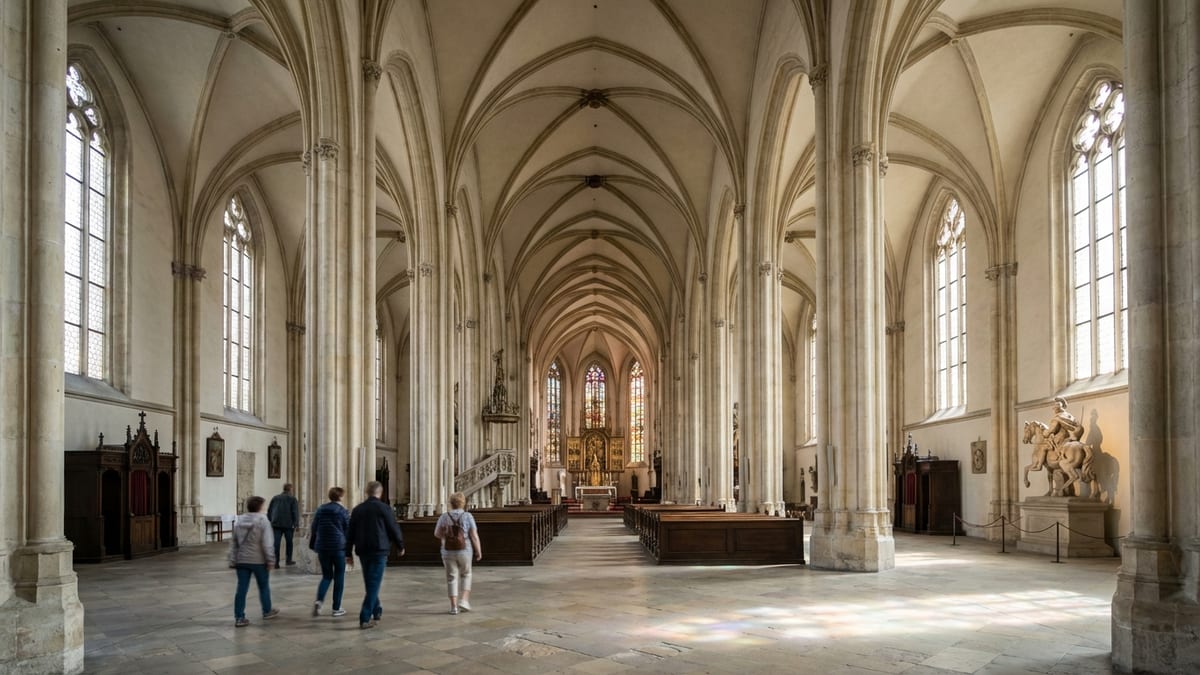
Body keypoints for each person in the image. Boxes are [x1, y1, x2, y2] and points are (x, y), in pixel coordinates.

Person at [346, 481, 405, 629]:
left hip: (363, 550)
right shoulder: (384, 508)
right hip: (379, 550)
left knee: (370, 582)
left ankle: (376, 610)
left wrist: (348, 552)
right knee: (373, 583)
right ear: (381, 492)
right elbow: (393, 527)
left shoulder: (357, 509)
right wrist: (400, 545)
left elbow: (350, 533)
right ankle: (365, 617)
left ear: (367, 492)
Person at [229, 495, 280, 627]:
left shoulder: (240, 520)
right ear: (260, 507)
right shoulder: (263, 520)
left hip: (242, 560)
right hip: (259, 561)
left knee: (241, 589)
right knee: (263, 587)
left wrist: (233, 559)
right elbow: (267, 543)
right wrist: (270, 560)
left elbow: (234, 543)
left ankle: (239, 617)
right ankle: (267, 611)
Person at [433, 492, 482, 615]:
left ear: (451, 503)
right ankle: (464, 600)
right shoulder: (468, 516)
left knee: (451, 577)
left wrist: (445, 535)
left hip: (447, 550)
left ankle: (453, 607)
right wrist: (478, 551)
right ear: (463, 503)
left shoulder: (444, 517)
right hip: (465, 549)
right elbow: (474, 536)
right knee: (466, 574)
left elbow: (436, 534)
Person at [309, 486, 351, 618]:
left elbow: (314, 527)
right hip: (338, 547)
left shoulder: (321, 509)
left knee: (326, 576)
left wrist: (314, 542)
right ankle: (336, 608)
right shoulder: (342, 511)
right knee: (339, 577)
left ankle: (319, 601)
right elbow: (348, 529)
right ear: (340, 497)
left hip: (323, 547)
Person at [267, 483, 300, 568]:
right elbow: (295, 512)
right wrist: (296, 524)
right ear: (290, 489)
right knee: (289, 542)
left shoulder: (275, 498)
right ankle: (288, 560)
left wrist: (270, 520)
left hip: (276, 524)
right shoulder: (292, 499)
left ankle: (276, 562)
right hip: (288, 524)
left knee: (276, 543)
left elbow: (270, 510)